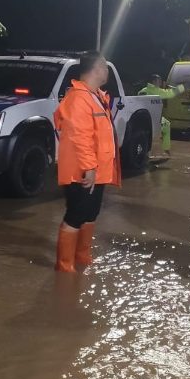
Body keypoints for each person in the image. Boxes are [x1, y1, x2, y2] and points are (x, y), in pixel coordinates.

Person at [53, 51, 121, 273]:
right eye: (105, 66)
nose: (108, 71)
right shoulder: (79, 98)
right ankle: (65, 265)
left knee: (91, 213)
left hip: (97, 170)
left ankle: (82, 256)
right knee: (76, 214)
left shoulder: (96, 96)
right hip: (82, 171)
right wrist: (89, 168)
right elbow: (80, 136)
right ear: (97, 68)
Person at [139, 74, 185, 157]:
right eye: (159, 81)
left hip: (142, 118)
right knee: (166, 124)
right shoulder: (157, 91)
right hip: (154, 118)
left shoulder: (142, 90)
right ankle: (165, 148)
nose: (160, 83)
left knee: (145, 135)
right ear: (154, 82)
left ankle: (145, 153)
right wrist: (182, 87)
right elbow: (170, 94)